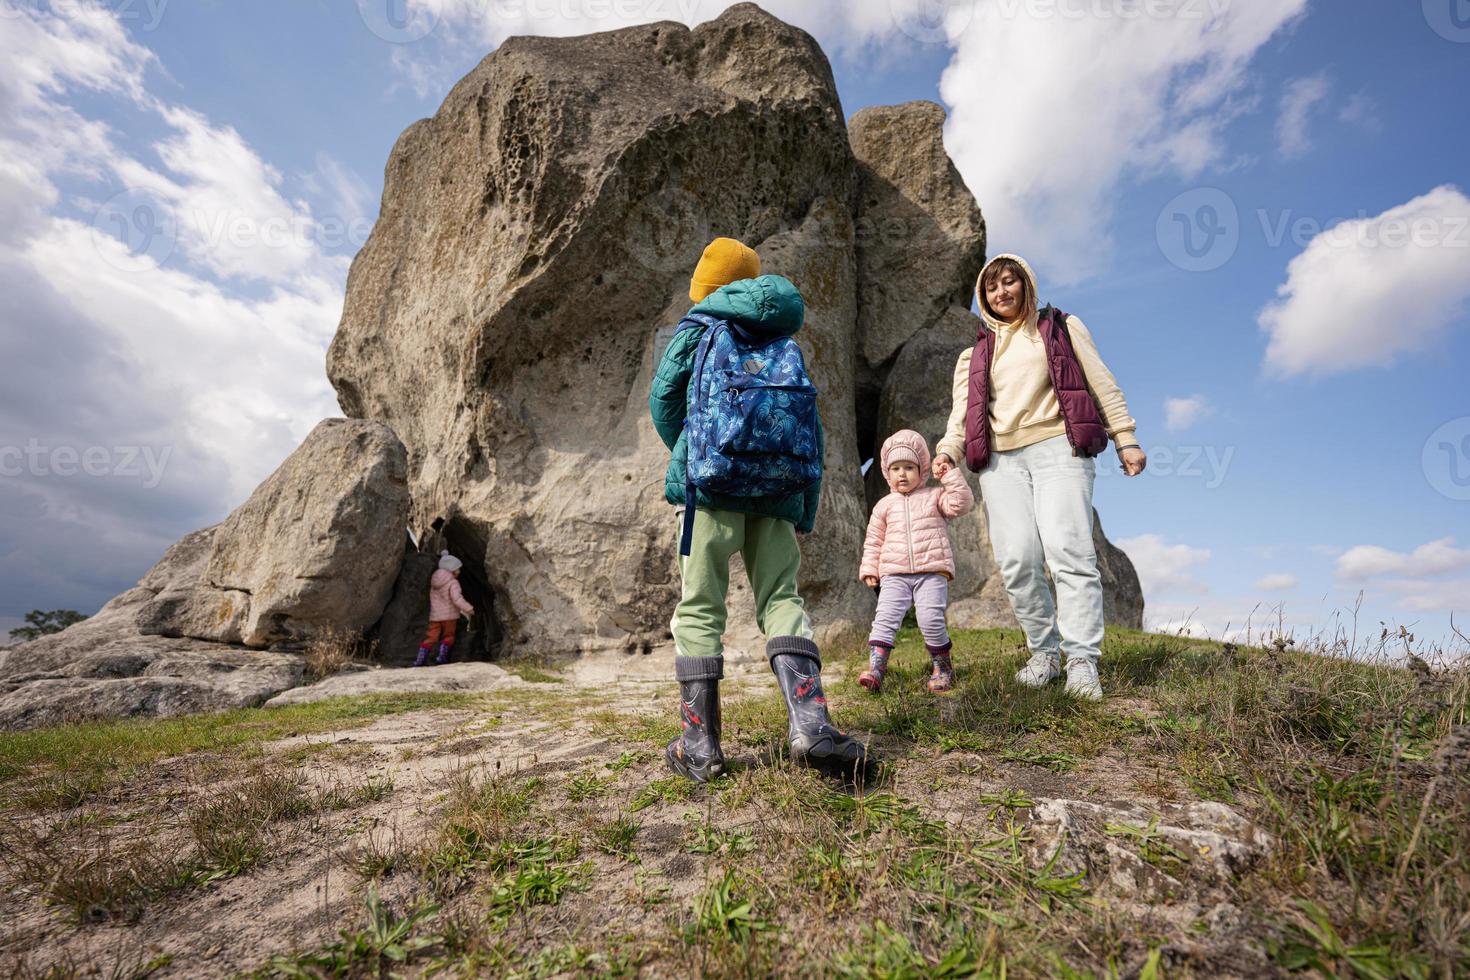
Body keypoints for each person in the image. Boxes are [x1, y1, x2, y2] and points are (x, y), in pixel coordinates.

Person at [649, 237, 867, 782]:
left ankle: (700, 745)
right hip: (774, 489)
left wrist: (703, 447)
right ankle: (811, 726)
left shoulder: (698, 326)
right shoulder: (780, 331)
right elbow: (805, 420)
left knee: (701, 604)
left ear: (705, 285)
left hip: (711, 489)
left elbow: (664, 403)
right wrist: (801, 499)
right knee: (780, 598)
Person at [933, 254, 1146, 700]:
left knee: (1069, 551)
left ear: (1026, 284)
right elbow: (960, 418)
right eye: (992, 287)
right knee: (1017, 559)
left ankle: (1082, 660)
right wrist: (947, 452)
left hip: (1058, 449)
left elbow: (1101, 382)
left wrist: (1124, 437)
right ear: (983, 296)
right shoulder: (972, 355)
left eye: (1010, 282)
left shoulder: (1061, 327)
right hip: (1000, 462)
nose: (1001, 292)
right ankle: (1044, 653)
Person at [857, 429, 973, 694]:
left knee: (930, 619)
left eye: (909, 467)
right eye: (895, 468)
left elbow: (962, 504)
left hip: (931, 571)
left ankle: (942, 666)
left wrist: (950, 476)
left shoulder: (934, 497)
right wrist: (870, 568)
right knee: (884, 619)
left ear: (921, 469)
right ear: (887, 473)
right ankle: (876, 669)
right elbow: (873, 540)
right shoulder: (884, 505)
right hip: (893, 574)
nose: (902, 474)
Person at [417, 551, 474, 667]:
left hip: (435, 616)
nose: (459, 572)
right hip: (449, 616)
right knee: (449, 636)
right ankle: (441, 657)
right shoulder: (453, 583)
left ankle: (420, 659)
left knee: (431, 637)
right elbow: (456, 599)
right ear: (451, 570)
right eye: (457, 569)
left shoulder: (434, 582)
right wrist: (469, 609)